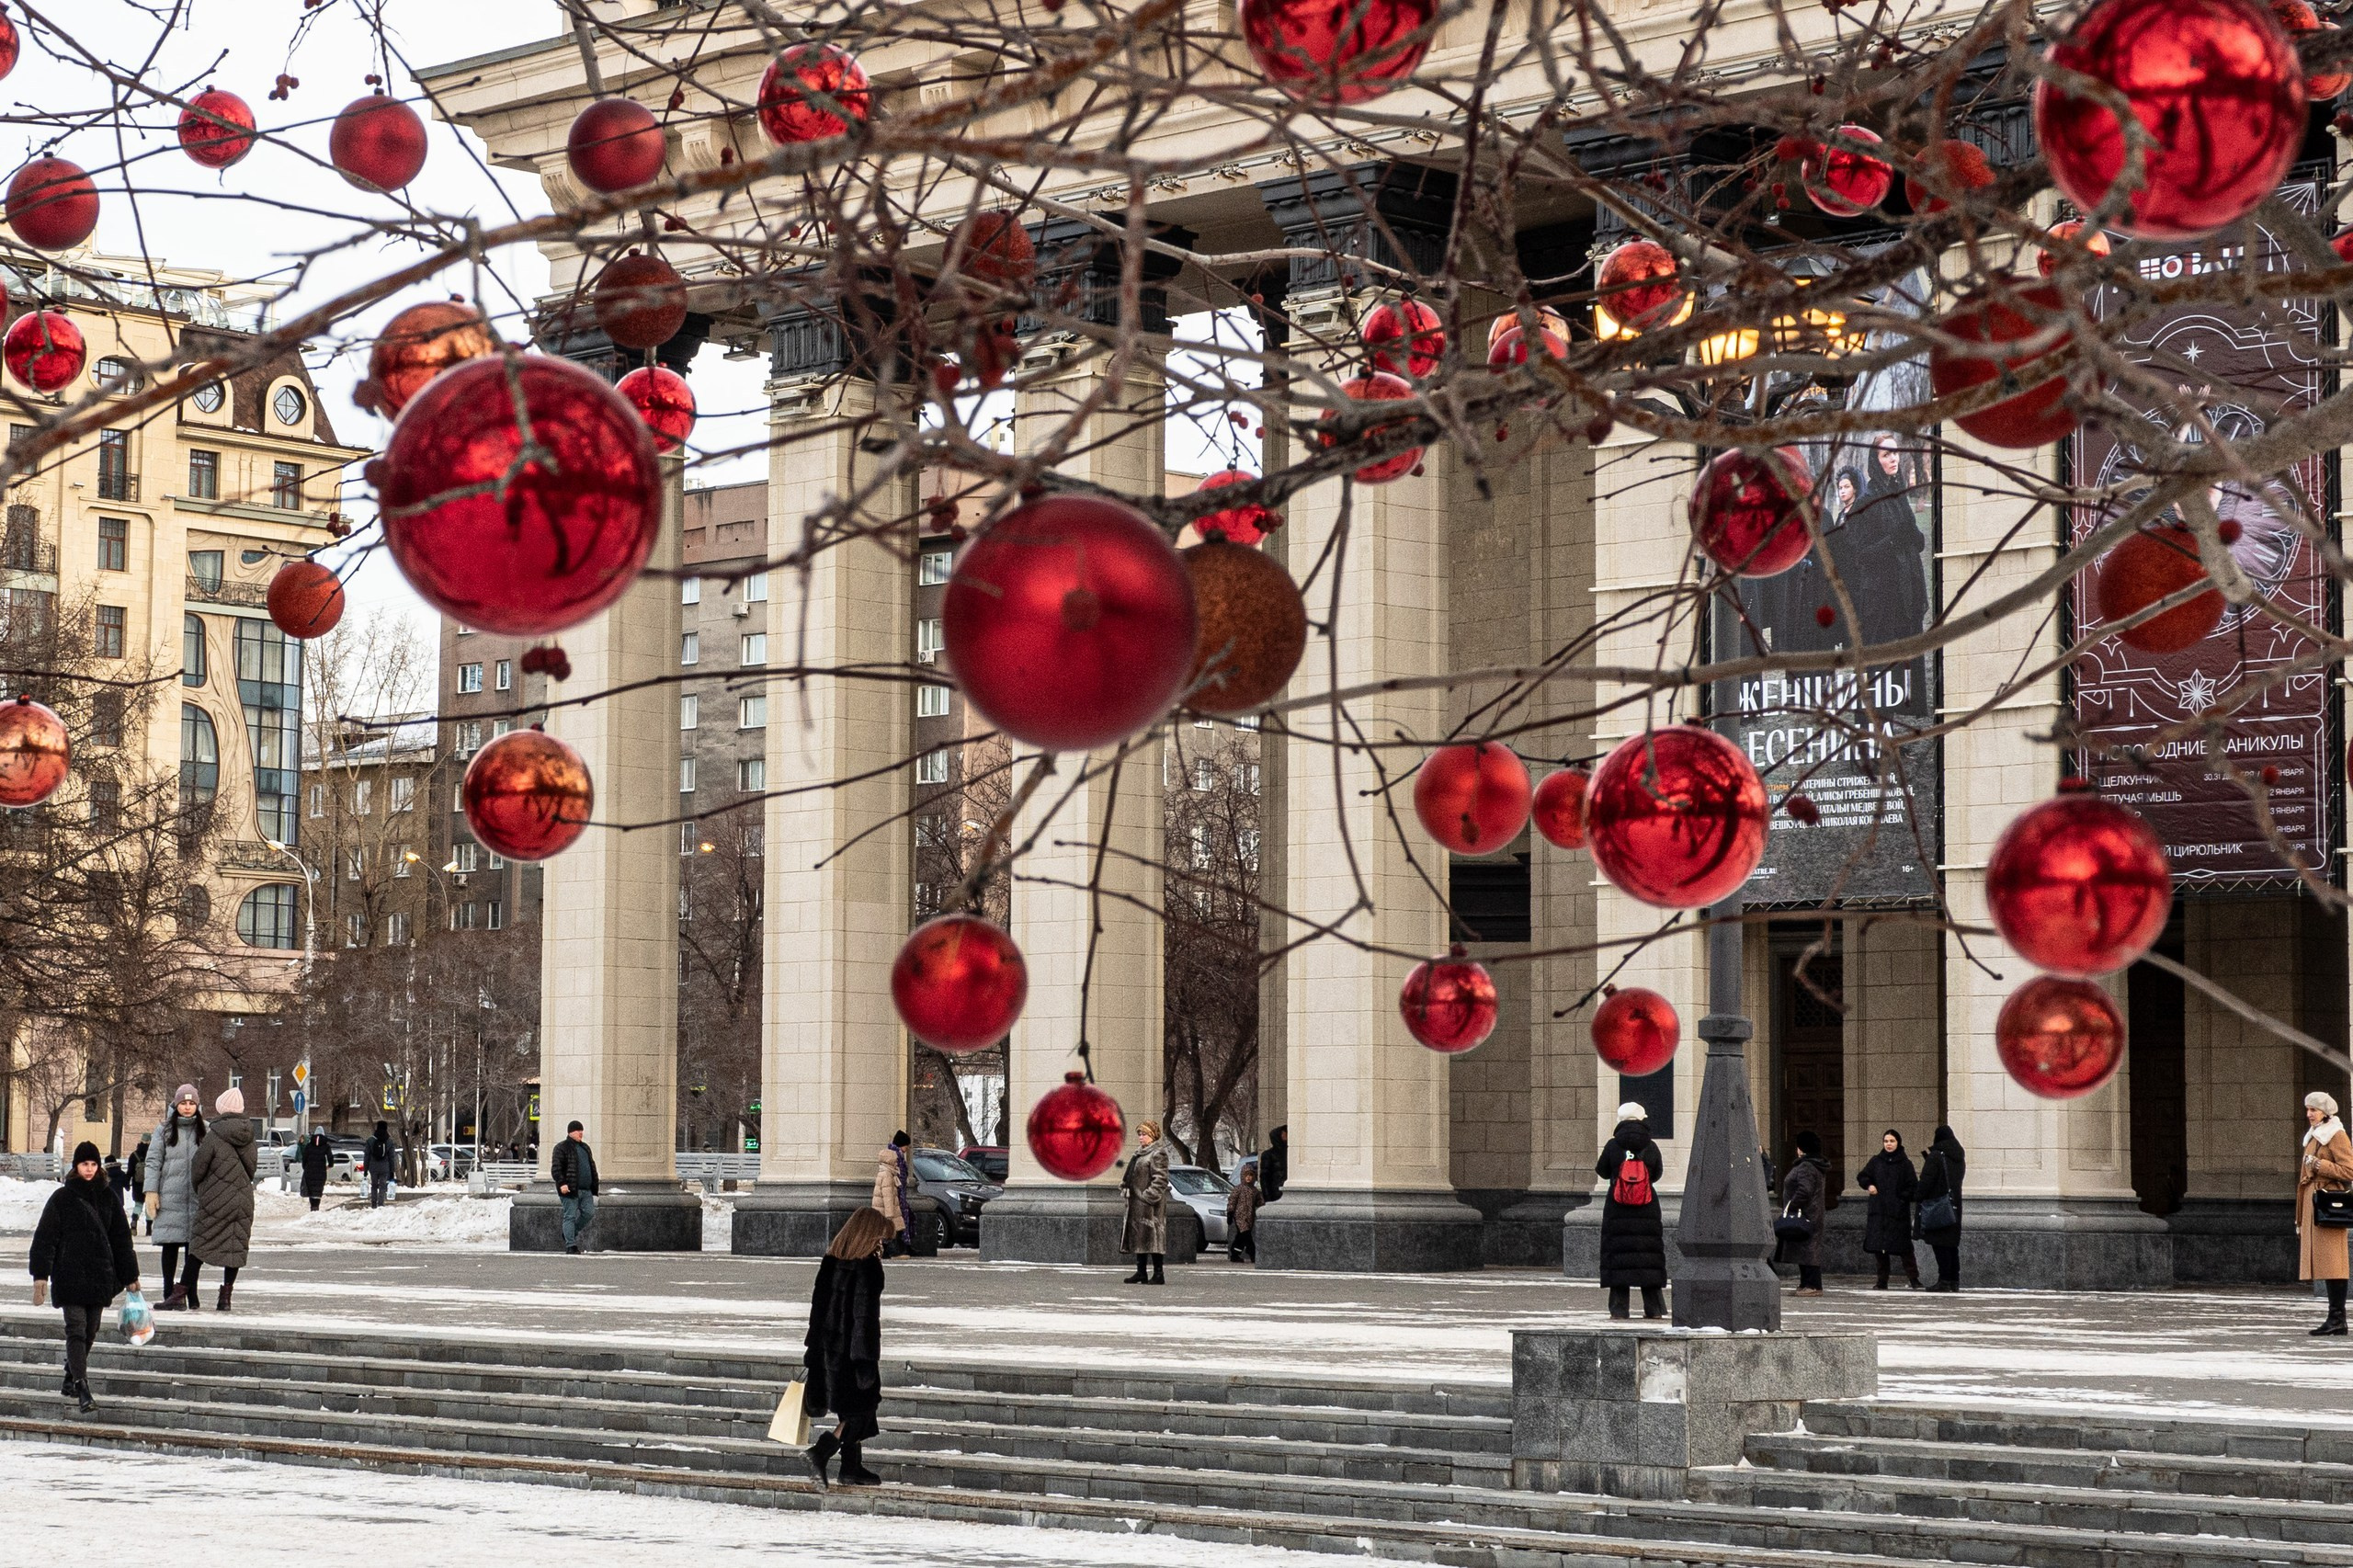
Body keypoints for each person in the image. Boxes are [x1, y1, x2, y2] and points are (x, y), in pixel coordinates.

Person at [28, 1142, 139, 1414]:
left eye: (92, 1164)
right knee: (76, 1329)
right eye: (83, 1164)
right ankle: (82, 1387)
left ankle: (70, 1376)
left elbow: (122, 1239)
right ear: (75, 1166)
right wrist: (41, 1275)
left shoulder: (108, 1197)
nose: (88, 1169)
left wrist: (130, 1275)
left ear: (98, 1166)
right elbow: (45, 1237)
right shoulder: (62, 1198)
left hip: (100, 1276)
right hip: (70, 1275)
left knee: (91, 1330)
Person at [803, 1205, 892, 1488]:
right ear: (869, 1235)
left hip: (828, 1351)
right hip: (854, 1356)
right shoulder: (868, 1267)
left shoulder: (830, 1262)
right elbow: (865, 1321)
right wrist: (866, 1363)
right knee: (861, 1411)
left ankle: (851, 1468)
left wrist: (813, 1352)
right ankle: (820, 1452)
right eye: (879, 1238)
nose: (881, 1244)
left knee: (852, 1410)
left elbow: (817, 1312)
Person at [188, 1087, 257, 1312]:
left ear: (221, 1108)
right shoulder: (249, 1135)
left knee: (199, 1245)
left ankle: (180, 1293)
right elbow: (252, 1168)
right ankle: (225, 1298)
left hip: (216, 1198)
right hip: (243, 1199)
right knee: (234, 1247)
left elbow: (198, 1166)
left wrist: (201, 1189)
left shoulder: (215, 1134)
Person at [1595, 1101, 1666, 1319]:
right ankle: (1654, 1309)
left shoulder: (1612, 1145)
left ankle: (1619, 1310)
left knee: (1618, 1259)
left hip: (1617, 1208)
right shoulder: (1651, 1146)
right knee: (1649, 1259)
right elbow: (1657, 1173)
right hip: (1647, 1208)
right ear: (1642, 1119)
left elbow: (1602, 1171)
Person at [2298, 1091, 2353, 1335]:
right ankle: (2335, 1318)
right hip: (2316, 1204)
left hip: (2330, 1206)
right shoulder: (2315, 1135)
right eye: (2308, 1109)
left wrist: (2320, 1165)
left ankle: (2338, 1318)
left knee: (2334, 1262)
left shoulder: (2336, 1134)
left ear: (2325, 1112)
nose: (2309, 1114)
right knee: (2327, 1263)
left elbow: (2349, 1170)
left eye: (2314, 1110)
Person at [145, 1085, 203, 1310]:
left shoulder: (205, 1130)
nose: (187, 1107)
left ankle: (191, 1292)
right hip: (170, 1195)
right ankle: (168, 1291)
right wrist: (151, 1191)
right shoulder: (164, 1130)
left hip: (196, 1197)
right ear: (176, 1105)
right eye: (183, 1103)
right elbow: (153, 1161)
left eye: (191, 1103)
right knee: (170, 1245)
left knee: (194, 1248)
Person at [1857, 1129, 1922, 1290]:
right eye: (1886, 1141)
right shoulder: (1876, 1161)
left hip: (1897, 1213)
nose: (1889, 1144)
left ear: (1898, 1142)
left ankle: (1914, 1279)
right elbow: (1863, 1176)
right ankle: (1882, 1281)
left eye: (1892, 1141)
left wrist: (1901, 1198)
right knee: (1880, 1249)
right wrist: (1869, 1185)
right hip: (1879, 1212)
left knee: (1904, 1248)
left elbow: (1913, 1186)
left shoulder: (1905, 1164)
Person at [1915, 1125, 1966, 1292]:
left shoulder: (1936, 1156)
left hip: (1938, 1205)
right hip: (1954, 1205)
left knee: (1940, 1244)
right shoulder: (1959, 1157)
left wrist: (1917, 1195)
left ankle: (1944, 1281)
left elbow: (1927, 1181)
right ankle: (1954, 1281)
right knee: (1951, 1245)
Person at [1122, 1119, 1171, 1285]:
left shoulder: (1157, 1153)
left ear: (1152, 1135)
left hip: (1151, 1206)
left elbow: (1161, 1179)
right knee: (1140, 1237)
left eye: (1144, 1134)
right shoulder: (1139, 1153)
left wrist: (1147, 1197)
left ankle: (1158, 1273)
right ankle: (1141, 1272)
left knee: (1154, 1237)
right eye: (1140, 1134)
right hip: (1137, 1204)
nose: (1141, 1137)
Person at [1781, 1131, 1830, 1296]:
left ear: (1802, 1148)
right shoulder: (1814, 1165)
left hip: (1806, 1214)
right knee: (1805, 1249)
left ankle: (1813, 1285)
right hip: (1812, 1213)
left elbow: (1804, 1190)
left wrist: (1791, 1206)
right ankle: (1805, 1283)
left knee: (1809, 1250)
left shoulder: (1806, 1167)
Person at [551, 1119, 599, 1254]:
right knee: (570, 1216)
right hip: (570, 1189)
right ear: (571, 1132)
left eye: (581, 1130)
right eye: (578, 1131)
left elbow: (591, 1166)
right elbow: (556, 1168)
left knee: (589, 1213)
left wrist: (594, 1185)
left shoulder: (585, 1148)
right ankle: (571, 1245)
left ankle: (570, 1233)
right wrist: (562, 1183)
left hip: (586, 1190)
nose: (581, 1133)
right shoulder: (561, 1147)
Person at [871, 1131, 912, 1256]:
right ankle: (890, 1250)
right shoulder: (888, 1175)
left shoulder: (886, 1172)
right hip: (888, 1206)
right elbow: (888, 1194)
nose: (897, 1164)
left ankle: (893, 1249)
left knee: (891, 1228)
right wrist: (889, 1212)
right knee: (889, 1229)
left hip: (888, 1205)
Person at [1226, 1163, 1260, 1264]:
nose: (1248, 1177)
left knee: (1241, 1237)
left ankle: (1235, 1254)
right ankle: (1252, 1252)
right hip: (1240, 1216)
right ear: (1242, 1176)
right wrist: (1230, 1212)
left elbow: (1259, 1201)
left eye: (1250, 1175)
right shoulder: (1238, 1188)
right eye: (1246, 1175)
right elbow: (1232, 1200)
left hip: (1250, 1217)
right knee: (1246, 1235)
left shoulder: (1254, 1190)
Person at [364, 1119, 397, 1209]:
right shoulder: (389, 1141)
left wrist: (366, 1169)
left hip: (373, 1166)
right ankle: (381, 1203)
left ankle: (373, 1203)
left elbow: (367, 1155)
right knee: (383, 1185)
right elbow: (392, 1157)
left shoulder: (370, 1140)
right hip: (385, 1167)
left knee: (374, 1185)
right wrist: (392, 1170)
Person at [298, 1130, 331, 1211]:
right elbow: (330, 1158)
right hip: (321, 1171)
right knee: (318, 1189)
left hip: (309, 1171)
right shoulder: (326, 1146)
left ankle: (313, 1206)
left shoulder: (309, 1146)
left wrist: (305, 1167)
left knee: (311, 1189)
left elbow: (304, 1158)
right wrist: (329, 1166)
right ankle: (316, 1206)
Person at [1258, 1125, 1288, 1204]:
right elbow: (1264, 1178)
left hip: (1289, 1192)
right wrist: (1267, 1198)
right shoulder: (1268, 1155)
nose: (1286, 1136)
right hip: (1276, 1194)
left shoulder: (1291, 1153)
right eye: (1284, 1133)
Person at [128, 1134, 149, 1234]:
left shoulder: (134, 1155)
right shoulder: (153, 1154)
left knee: (138, 1204)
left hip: (137, 1185)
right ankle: (149, 1229)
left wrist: (127, 1183)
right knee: (149, 1206)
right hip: (150, 1184)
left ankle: (134, 1220)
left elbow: (130, 1171)